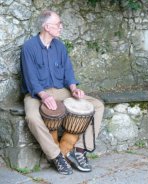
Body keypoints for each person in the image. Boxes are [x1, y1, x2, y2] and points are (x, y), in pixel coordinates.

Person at [20, 10, 104, 175]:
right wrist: (43, 96)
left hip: (61, 90)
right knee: (31, 117)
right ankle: (56, 156)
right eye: (58, 24)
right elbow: (31, 78)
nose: (61, 27)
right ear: (47, 26)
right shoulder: (29, 47)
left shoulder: (60, 46)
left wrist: (73, 88)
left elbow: (68, 72)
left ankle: (79, 150)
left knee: (98, 105)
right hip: (36, 93)